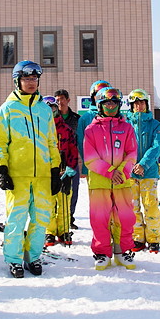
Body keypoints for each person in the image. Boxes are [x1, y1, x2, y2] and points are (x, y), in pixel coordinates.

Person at [0, 60, 61, 278]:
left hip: (42, 174)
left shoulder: (44, 109)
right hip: (17, 174)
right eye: (26, 79)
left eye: (34, 79)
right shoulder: (8, 109)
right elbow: (0, 141)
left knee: (41, 218)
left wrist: (55, 169)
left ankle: (33, 256)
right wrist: (2, 168)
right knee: (16, 218)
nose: (31, 83)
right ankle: (14, 259)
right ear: (17, 81)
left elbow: (52, 141)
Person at [84, 87, 138, 271]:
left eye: (114, 103)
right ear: (99, 105)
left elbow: (132, 152)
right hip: (99, 181)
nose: (111, 106)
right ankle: (102, 252)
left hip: (122, 181)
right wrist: (109, 171)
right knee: (100, 218)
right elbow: (90, 157)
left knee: (125, 216)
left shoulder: (127, 128)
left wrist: (122, 171)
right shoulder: (91, 130)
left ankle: (124, 250)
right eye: (107, 103)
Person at [125, 88, 160, 254]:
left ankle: (154, 239)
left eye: (141, 102)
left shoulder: (154, 124)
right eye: (135, 103)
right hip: (130, 173)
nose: (139, 106)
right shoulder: (126, 123)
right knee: (133, 207)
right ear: (131, 106)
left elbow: (157, 146)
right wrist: (131, 164)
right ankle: (137, 238)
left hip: (148, 172)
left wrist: (143, 164)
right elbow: (124, 146)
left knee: (150, 206)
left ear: (146, 104)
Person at [42, 96, 78, 247]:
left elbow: (73, 151)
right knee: (48, 203)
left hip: (64, 171)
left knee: (64, 202)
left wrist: (70, 170)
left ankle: (64, 230)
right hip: (47, 172)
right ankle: (49, 231)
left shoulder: (66, 129)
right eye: (48, 109)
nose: (51, 111)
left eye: (53, 108)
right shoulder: (41, 129)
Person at [76, 80, 111, 231]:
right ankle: (100, 229)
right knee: (97, 200)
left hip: (114, 167)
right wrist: (89, 164)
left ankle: (113, 228)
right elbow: (81, 143)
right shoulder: (85, 118)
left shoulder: (117, 117)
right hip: (94, 168)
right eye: (99, 94)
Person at [54, 89, 81, 226]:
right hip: (54, 161)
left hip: (71, 159)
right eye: (57, 100)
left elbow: (80, 140)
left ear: (68, 100)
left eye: (62, 99)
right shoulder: (51, 118)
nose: (60, 102)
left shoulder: (76, 119)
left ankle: (69, 217)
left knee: (72, 188)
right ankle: (55, 219)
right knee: (55, 189)